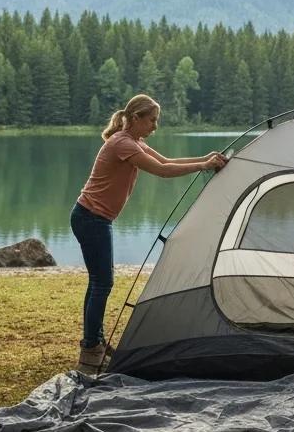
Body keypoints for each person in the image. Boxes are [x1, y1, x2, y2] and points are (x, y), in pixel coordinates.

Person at [71, 93, 227, 374]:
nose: (155, 126)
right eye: (151, 120)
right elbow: (163, 171)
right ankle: (90, 348)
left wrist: (205, 158)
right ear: (136, 118)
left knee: (98, 283)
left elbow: (166, 159)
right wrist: (203, 167)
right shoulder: (122, 144)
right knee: (102, 283)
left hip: (93, 218)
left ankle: (93, 341)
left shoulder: (134, 142)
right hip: (90, 218)